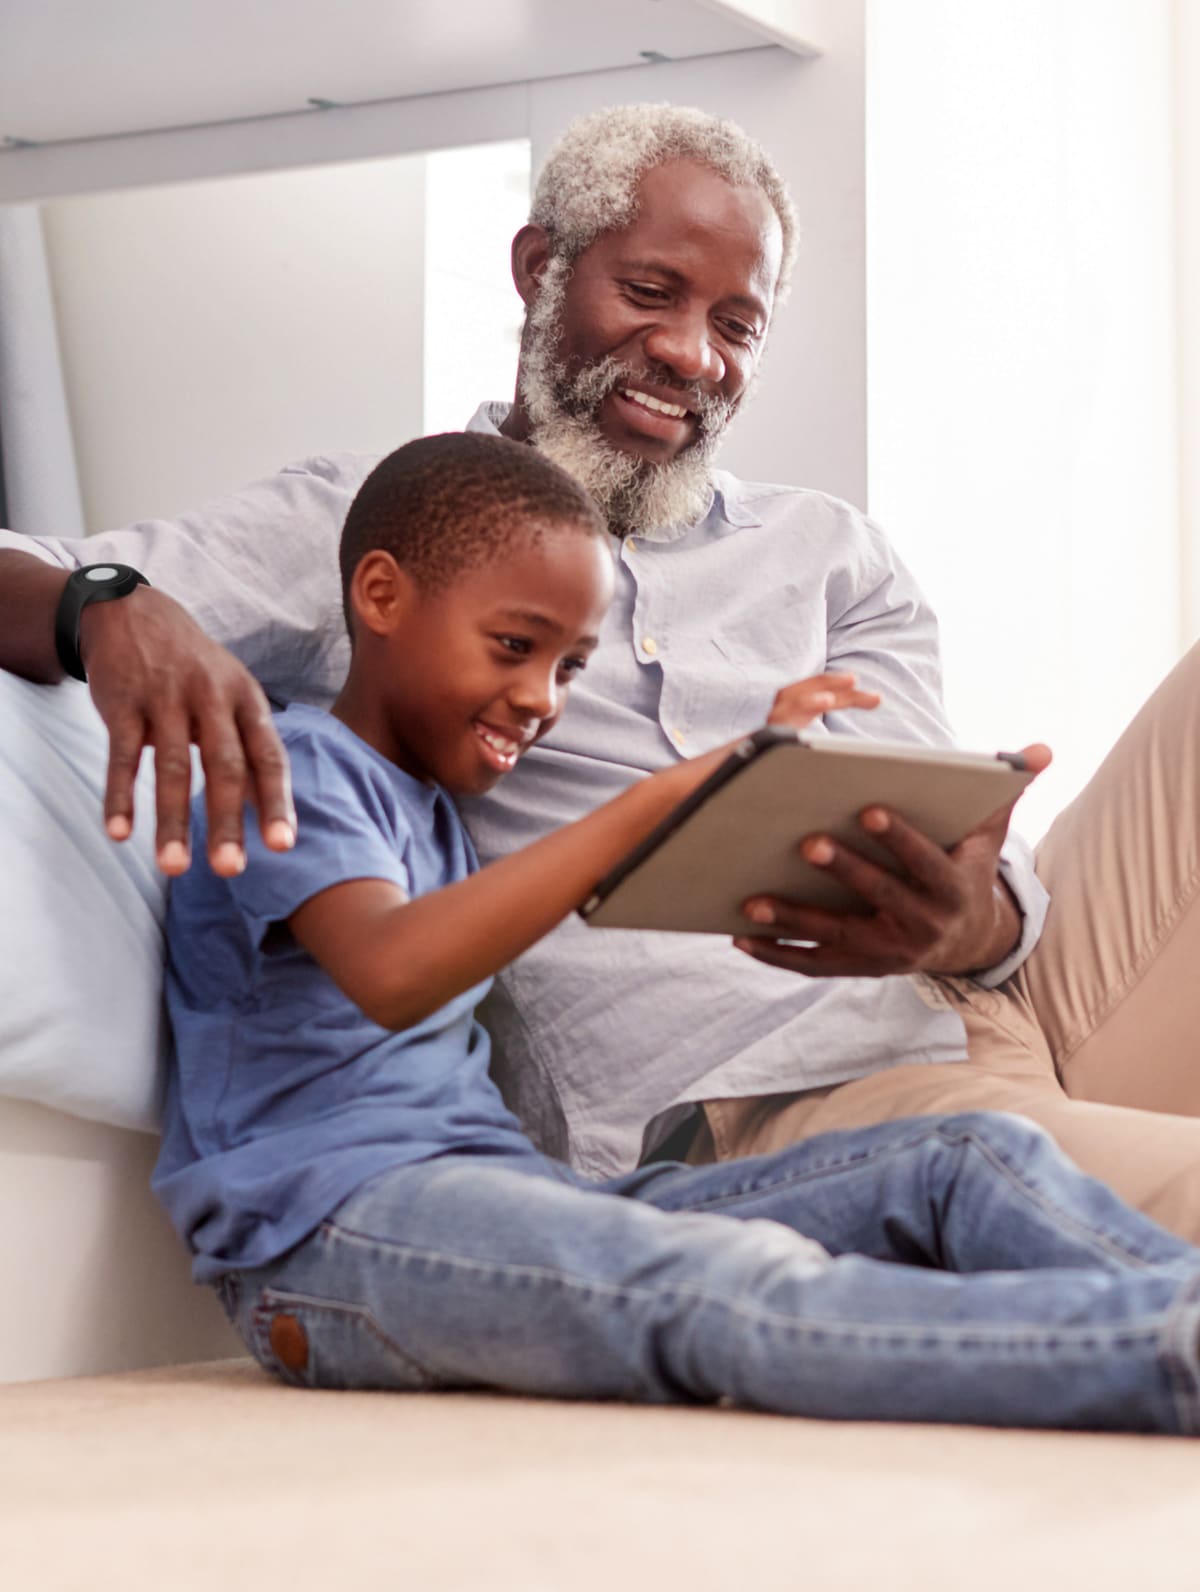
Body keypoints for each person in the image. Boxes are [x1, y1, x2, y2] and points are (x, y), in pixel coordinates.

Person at [4, 104, 1200, 1233]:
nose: (690, 355)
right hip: (778, 1092)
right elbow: (30, 568)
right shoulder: (381, 526)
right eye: (650, 292)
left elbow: (940, 831)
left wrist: (972, 922)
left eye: (738, 326)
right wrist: (108, 603)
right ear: (540, 268)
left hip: (1003, 990)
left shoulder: (832, 552)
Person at [154, 427, 1200, 1435]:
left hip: (505, 1194)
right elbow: (392, 969)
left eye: (569, 668)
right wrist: (661, 801)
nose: (541, 699)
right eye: (515, 647)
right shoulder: (292, 767)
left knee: (963, 1156)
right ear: (381, 597)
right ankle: (1167, 1353)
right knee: (727, 1284)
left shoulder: (428, 808)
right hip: (329, 1239)